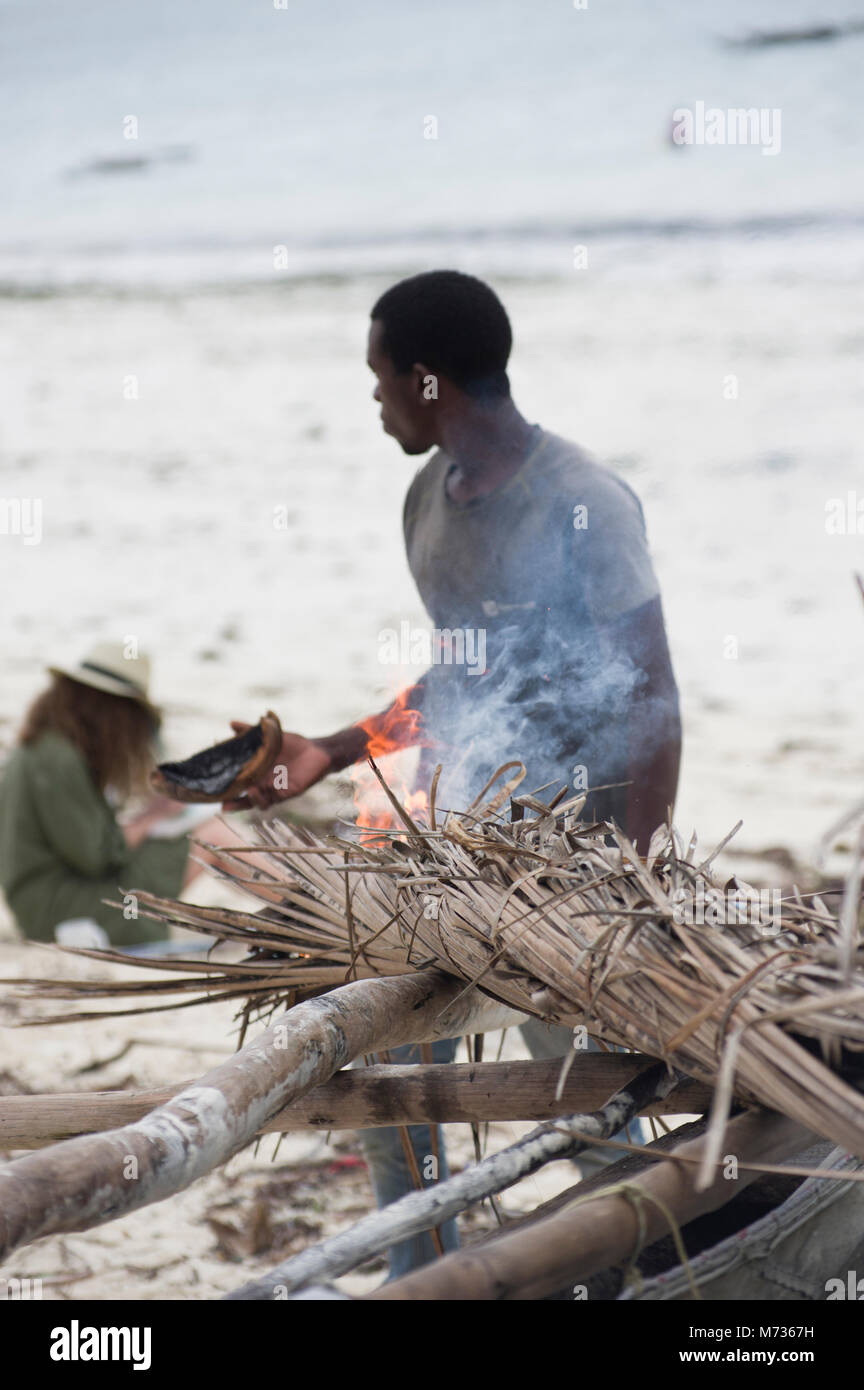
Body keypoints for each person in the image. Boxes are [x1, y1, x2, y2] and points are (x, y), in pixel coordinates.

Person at [227, 270, 682, 1275]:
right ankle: (421, 1273)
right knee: (392, 1061)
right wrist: (332, 752)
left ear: (427, 382)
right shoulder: (425, 501)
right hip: (460, 846)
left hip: (580, 861)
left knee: (585, 1096)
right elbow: (466, 671)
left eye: (382, 376)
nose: (375, 397)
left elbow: (655, 698)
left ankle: (627, 1270)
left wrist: (634, 882)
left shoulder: (583, 505)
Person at [0, 641, 239, 948]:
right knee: (214, 836)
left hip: (40, 903)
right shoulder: (58, 758)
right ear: (113, 710)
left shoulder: (44, 747)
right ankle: (300, 912)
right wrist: (153, 816)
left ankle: (297, 911)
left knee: (210, 833)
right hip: (62, 909)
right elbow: (96, 857)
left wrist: (149, 817)